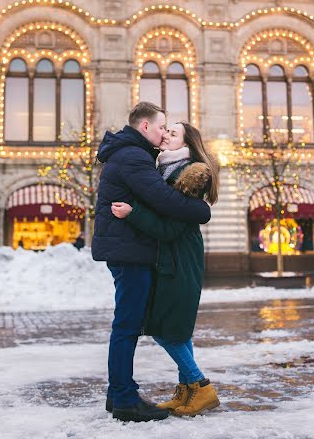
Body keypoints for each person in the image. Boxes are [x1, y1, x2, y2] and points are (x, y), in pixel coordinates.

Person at [92, 103, 211, 423]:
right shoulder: (134, 157)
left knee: (146, 325)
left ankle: (123, 393)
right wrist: (201, 212)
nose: (164, 135)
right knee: (131, 326)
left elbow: (167, 207)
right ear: (145, 127)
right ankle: (125, 397)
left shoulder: (142, 157)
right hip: (132, 253)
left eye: (171, 132)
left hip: (148, 253)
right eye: (162, 128)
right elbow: (165, 200)